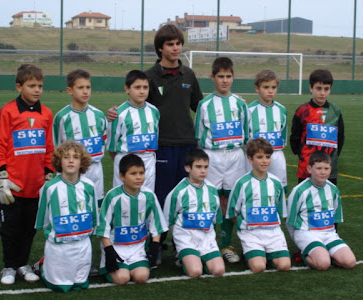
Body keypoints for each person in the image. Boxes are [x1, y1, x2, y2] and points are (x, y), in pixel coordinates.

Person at [107, 24, 203, 205]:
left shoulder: (188, 74)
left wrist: (228, 102)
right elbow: (136, 107)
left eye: (178, 43)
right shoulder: (149, 76)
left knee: (186, 195)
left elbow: (200, 106)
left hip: (187, 144)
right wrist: (114, 112)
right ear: (160, 48)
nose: (175, 48)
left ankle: (180, 233)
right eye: (170, 44)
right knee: (160, 195)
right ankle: (159, 233)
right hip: (161, 145)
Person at [0, 64, 54, 285]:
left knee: (28, 230)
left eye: (40, 86)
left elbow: (49, 148)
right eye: (31, 85)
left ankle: (22, 264)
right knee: (10, 230)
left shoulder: (46, 113)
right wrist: (2, 176)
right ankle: (8, 266)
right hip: (13, 186)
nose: (37, 90)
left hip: (35, 186)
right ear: (19, 86)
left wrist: (48, 174)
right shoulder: (8, 111)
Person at [194, 57, 249, 263]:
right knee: (208, 200)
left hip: (235, 157)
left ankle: (226, 244)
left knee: (231, 201)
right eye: (220, 77)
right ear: (212, 78)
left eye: (228, 76)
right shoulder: (204, 104)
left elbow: (247, 133)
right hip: (212, 157)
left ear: (233, 77)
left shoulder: (240, 104)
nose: (224, 80)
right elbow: (198, 135)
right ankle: (205, 245)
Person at [35, 140, 98, 292]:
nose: (71, 160)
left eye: (75, 157)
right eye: (66, 157)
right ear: (58, 161)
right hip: (59, 246)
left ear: (82, 162)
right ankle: (44, 265)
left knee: (80, 284)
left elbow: (94, 215)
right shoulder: (49, 187)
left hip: (82, 243)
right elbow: (42, 219)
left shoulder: (89, 186)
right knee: (60, 286)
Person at [96, 154, 168, 285]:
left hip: (137, 249)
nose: (139, 177)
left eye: (141, 173)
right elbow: (102, 227)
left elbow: (156, 225)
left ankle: (136, 263)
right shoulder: (113, 196)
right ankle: (112, 267)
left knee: (142, 277)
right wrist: (109, 251)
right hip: (116, 248)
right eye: (133, 173)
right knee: (122, 278)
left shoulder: (149, 196)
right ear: (122, 176)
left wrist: (154, 245)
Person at [227, 138, 290, 273]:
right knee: (258, 267)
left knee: (284, 266)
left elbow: (280, 210)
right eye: (259, 157)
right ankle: (251, 253)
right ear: (250, 159)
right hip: (251, 233)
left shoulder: (276, 182)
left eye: (267, 157)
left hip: (273, 233)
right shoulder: (242, 183)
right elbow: (232, 212)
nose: (264, 161)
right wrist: (243, 226)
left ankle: (267, 254)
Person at [286, 151, 356, 270]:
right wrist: (298, 241)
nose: (323, 172)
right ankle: (302, 255)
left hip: (328, 234)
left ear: (330, 169)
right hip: (306, 233)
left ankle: (327, 254)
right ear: (309, 169)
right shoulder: (299, 191)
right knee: (323, 264)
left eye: (326, 168)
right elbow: (290, 221)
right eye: (318, 168)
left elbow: (335, 216)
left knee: (350, 262)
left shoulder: (333, 189)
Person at [163, 148, 225, 277]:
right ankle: (183, 257)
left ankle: (201, 259)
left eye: (205, 167)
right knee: (195, 272)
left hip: (207, 240)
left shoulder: (212, 190)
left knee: (219, 271)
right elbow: (168, 218)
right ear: (187, 168)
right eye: (198, 167)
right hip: (186, 239)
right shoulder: (178, 192)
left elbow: (215, 219)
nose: (203, 171)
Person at [53, 69, 107, 206]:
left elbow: (104, 141)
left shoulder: (99, 116)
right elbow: (56, 148)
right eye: (80, 87)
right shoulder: (62, 118)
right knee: (74, 207)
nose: (85, 91)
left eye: (88, 87)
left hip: (96, 170)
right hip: (72, 172)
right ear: (70, 90)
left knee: (96, 209)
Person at [105, 70, 159, 191]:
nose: (142, 91)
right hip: (125, 162)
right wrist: (124, 163)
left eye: (145, 87)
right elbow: (112, 147)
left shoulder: (154, 111)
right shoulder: (119, 113)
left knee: (146, 198)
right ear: (127, 89)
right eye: (137, 87)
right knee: (123, 200)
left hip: (148, 163)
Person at [290, 69, 344, 186]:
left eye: (326, 89)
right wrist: (302, 154)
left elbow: (340, 137)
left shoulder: (336, 111)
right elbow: (295, 136)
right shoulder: (302, 111)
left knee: (327, 199)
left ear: (330, 89)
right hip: (306, 167)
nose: (322, 93)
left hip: (329, 167)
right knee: (305, 198)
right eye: (318, 88)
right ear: (311, 88)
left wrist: (332, 156)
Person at [246, 70, 288, 192]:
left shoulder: (282, 110)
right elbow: (245, 137)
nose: (270, 91)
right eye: (266, 87)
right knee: (253, 188)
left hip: (276, 155)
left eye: (273, 87)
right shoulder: (249, 110)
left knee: (278, 188)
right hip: (255, 156)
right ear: (257, 88)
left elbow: (283, 135)